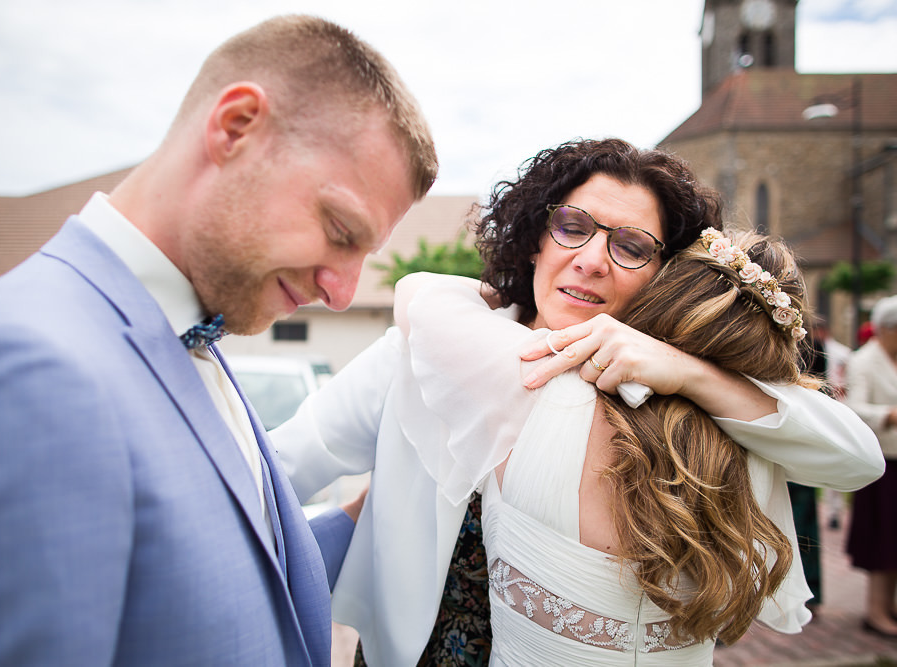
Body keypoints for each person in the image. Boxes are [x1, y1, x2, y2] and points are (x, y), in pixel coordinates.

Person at [0, 15, 436, 667]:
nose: (343, 289)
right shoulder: (14, 371)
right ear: (236, 128)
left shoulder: (195, 330)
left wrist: (370, 511)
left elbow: (217, 581)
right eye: (340, 229)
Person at [274, 138, 884, 666]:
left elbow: (856, 458)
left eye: (632, 246)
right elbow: (284, 467)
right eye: (573, 226)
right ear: (537, 238)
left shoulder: (671, 392)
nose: (591, 260)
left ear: (661, 274)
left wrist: (689, 372)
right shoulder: (425, 347)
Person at [399, 228, 815, 663]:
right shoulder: (762, 444)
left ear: (660, 296)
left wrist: (516, 287)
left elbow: (416, 294)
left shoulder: (537, 382)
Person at [845, 294, 897, 638]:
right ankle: (876, 612)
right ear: (885, 330)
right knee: (884, 539)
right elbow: (853, 407)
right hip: (882, 465)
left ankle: (889, 607)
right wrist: (889, 416)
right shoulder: (863, 361)